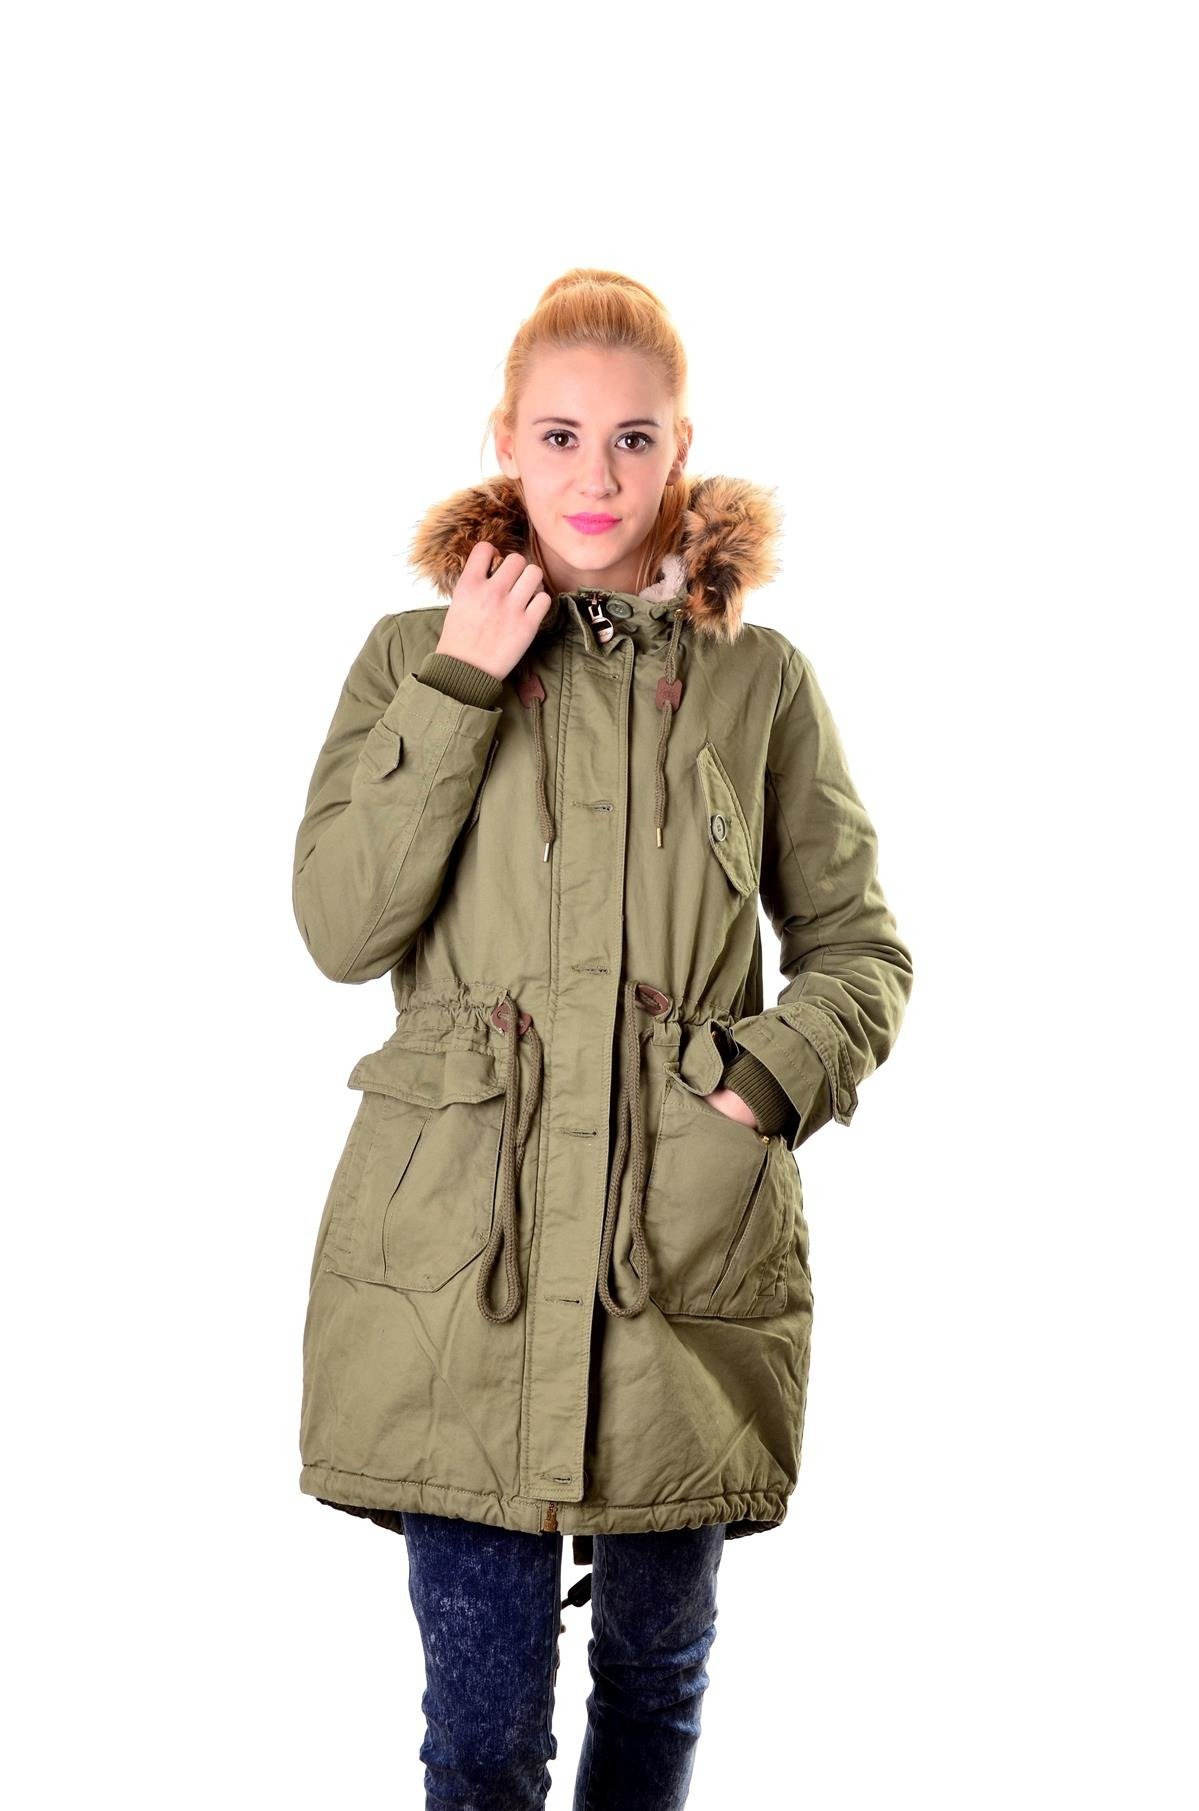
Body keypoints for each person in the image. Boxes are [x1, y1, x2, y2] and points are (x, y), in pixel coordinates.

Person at [291, 267, 914, 1810]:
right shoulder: (409, 657)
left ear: (680, 446)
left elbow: (859, 946)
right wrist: (462, 682)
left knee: (655, 1677)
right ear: (506, 439)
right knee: (481, 1721)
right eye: (560, 435)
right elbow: (342, 927)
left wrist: (757, 1092)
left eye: (634, 438)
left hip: (678, 1253)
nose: (596, 474)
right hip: (461, 1256)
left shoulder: (758, 683)